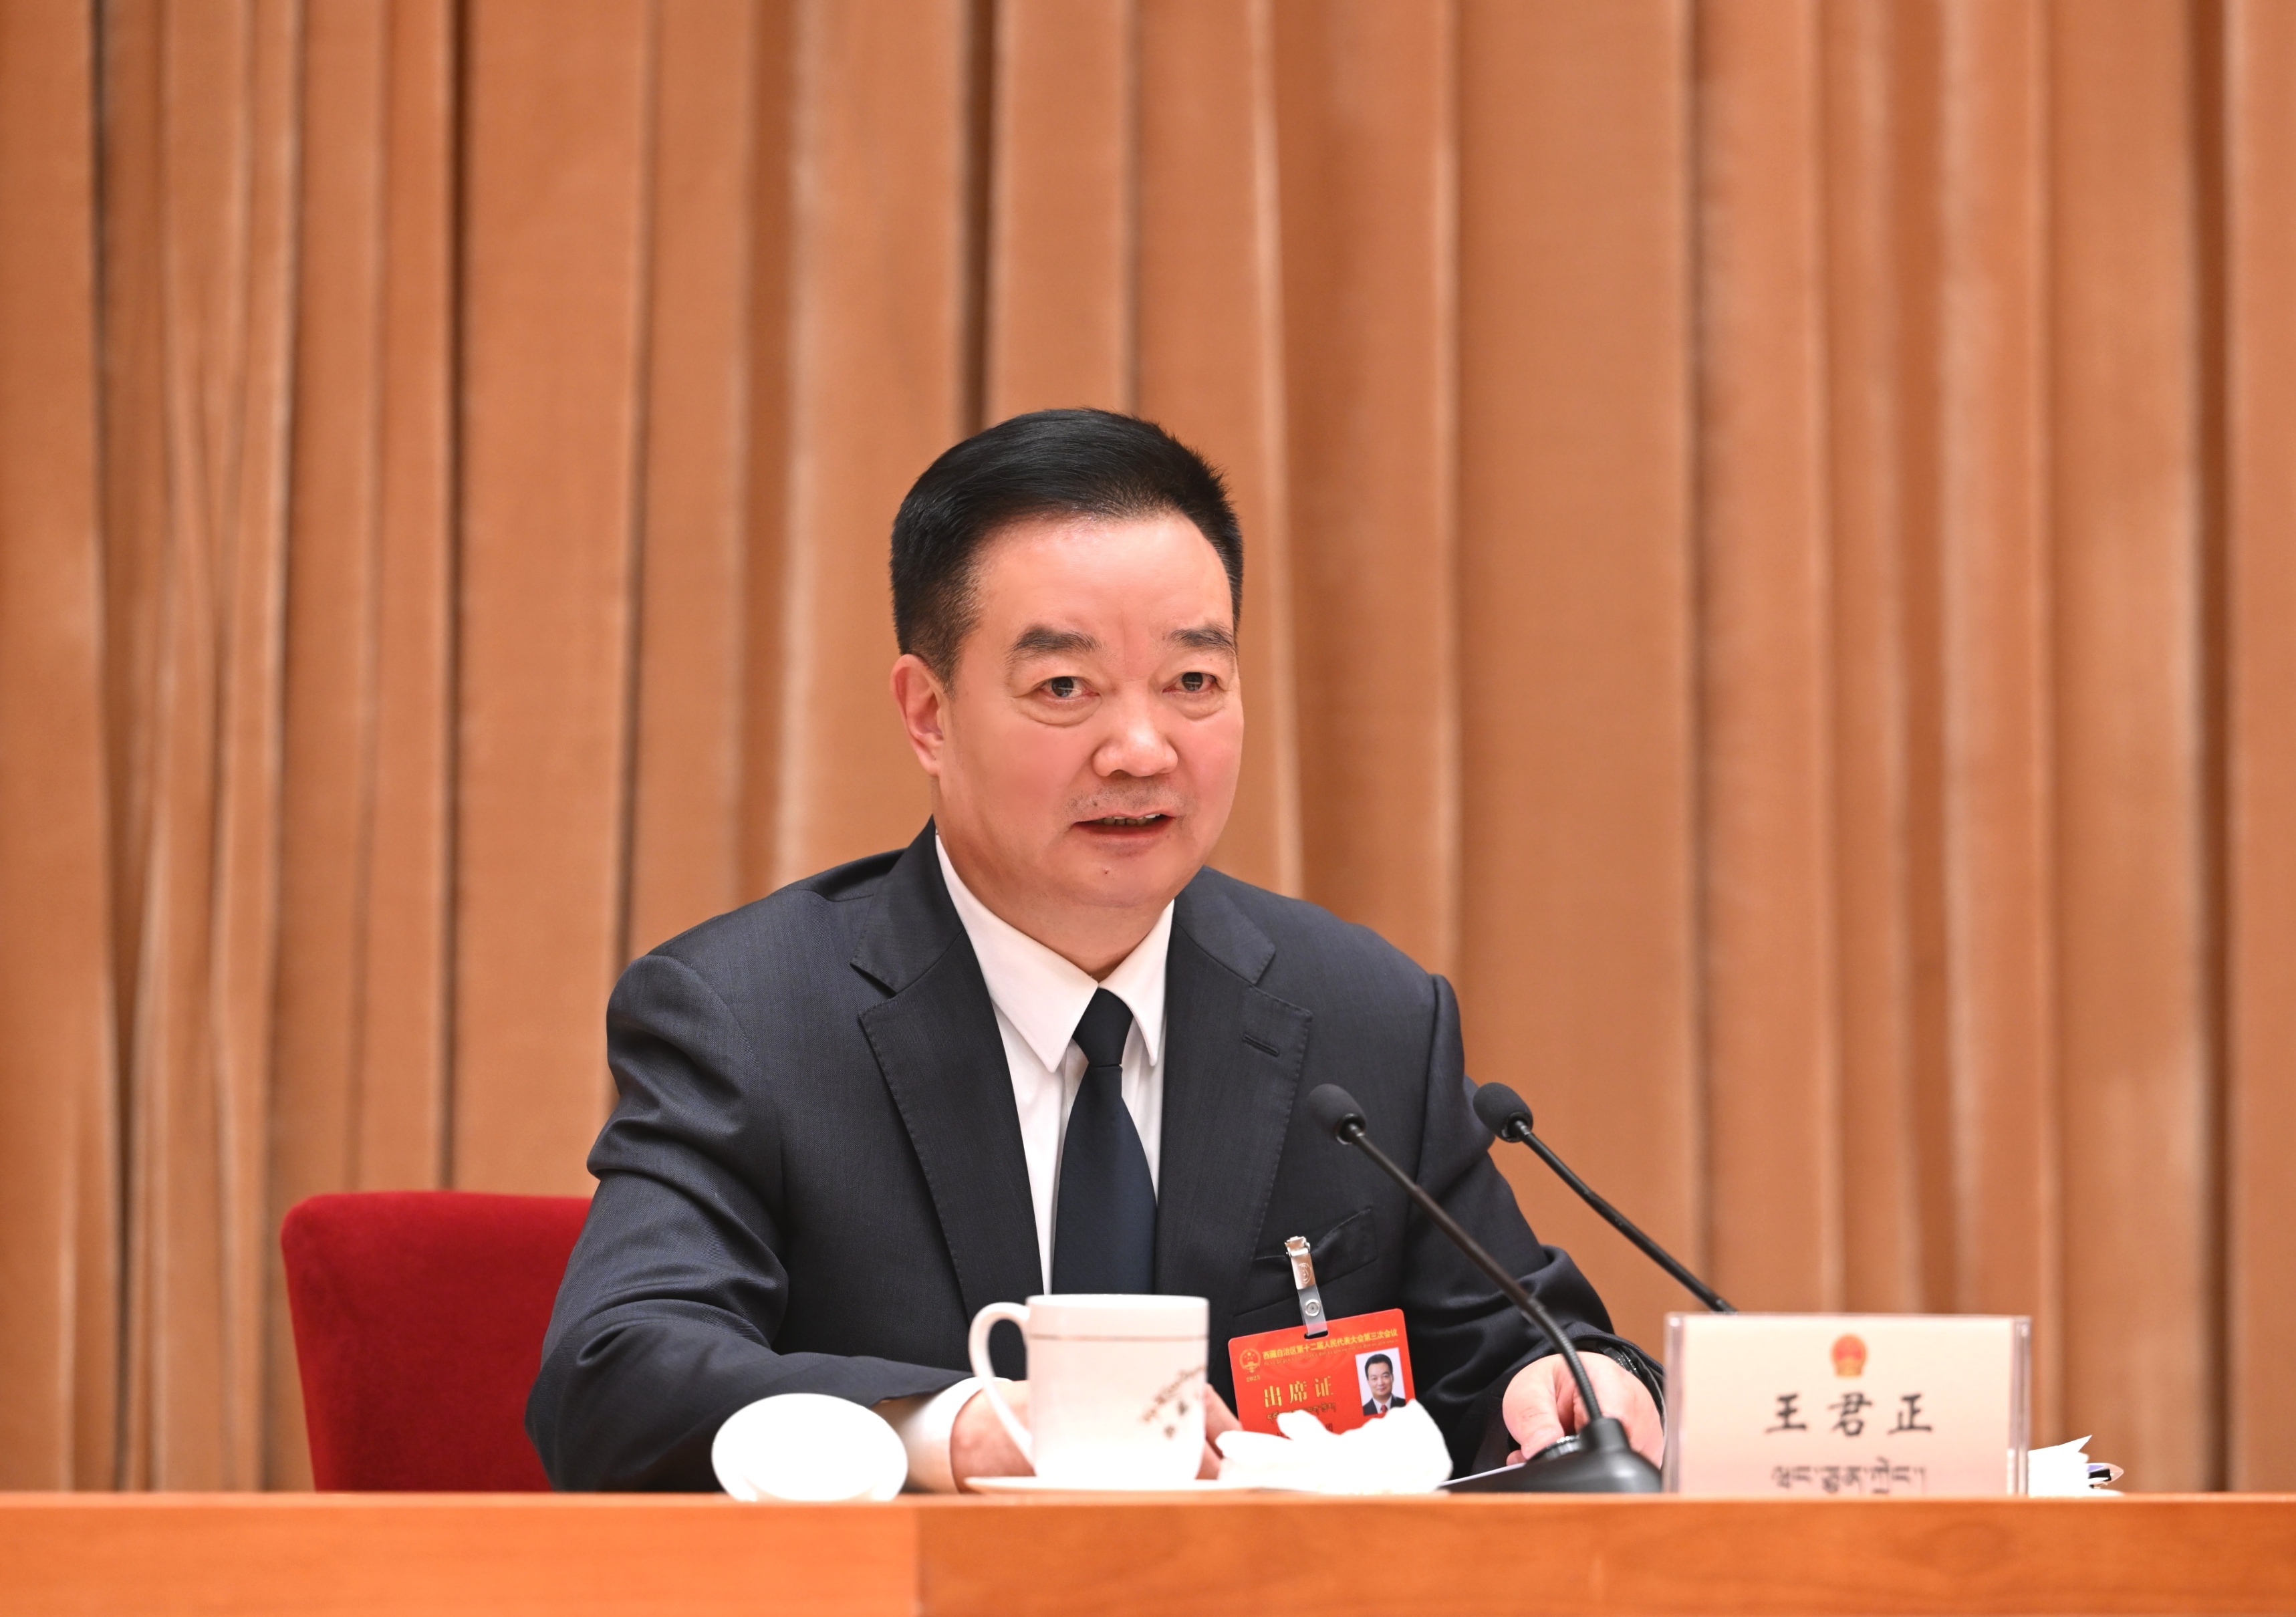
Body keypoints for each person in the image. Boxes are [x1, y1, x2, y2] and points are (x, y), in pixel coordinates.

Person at [527, 408, 1664, 1491]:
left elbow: (1521, 1349)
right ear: (927, 713)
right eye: (1064, 686)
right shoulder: (753, 1014)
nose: (1140, 748)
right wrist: (958, 1427)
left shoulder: (1364, 1014)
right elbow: (616, 1373)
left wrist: (1568, 1386)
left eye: (1192, 682)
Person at [1360, 1353, 1408, 1419]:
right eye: (1374, 1378)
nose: (1380, 1383)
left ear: (1392, 1377)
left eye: (1385, 1376)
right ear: (1368, 1382)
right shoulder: (1363, 1411)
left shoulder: (1407, 1405)